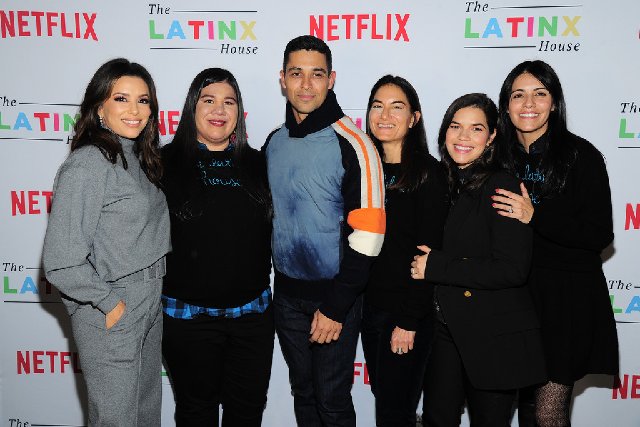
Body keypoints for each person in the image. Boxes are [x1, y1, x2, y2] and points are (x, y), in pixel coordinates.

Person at [262, 35, 385, 426]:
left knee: (332, 401)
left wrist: (334, 307)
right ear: (283, 79)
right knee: (304, 393)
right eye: (296, 73)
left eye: (316, 74)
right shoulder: (273, 142)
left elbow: (369, 237)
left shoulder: (356, 144)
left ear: (331, 80)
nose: (305, 84)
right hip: (286, 298)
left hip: (335, 299)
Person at [43, 58, 170, 426]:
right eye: (121, 99)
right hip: (114, 304)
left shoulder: (139, 158)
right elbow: (62, 262)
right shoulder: (87, 165)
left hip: (149, 298)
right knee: (117, 419)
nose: (135, 110)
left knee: (146, 415)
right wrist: (111, 304)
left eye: (143, 100)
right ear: (100, 107)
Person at [492, 60, 619, 427]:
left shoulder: (581, 156)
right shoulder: (496, 157)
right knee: (519, 409)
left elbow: (599, 234)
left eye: (540, 93)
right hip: (512, 299)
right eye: (518, 95)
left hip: (565, 302)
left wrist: (536, 215)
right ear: (506, 105)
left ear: (554, 102)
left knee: (548, 413)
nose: (529, 104)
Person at [411, 93, 546, 427]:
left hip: (493, 335)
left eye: (476, 128)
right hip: (446, 329)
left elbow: (512, 269)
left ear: (492, 136)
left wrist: (437, 267)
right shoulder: (444, 181)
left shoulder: (502, 186)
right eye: (455, 126)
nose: (463, 137)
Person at [160, 68, 274, 426]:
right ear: (192, 107)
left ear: (239, 111)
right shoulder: (162, 163)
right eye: (208, 100)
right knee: (196, 413)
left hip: (252, 321)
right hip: (188, 321)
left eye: (229, 102)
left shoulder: (260, 163)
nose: (219, 110)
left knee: (247, 415)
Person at [360, 75, 448, 427]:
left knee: (395, 412)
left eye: (397, 107)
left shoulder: (429, 174)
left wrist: (409, 321)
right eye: (377, 106)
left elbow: (429, 254)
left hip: (406, 315)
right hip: (370, 309)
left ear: (414, 118)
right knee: (388, 403)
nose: (385, 115)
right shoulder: (365, 169)